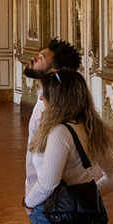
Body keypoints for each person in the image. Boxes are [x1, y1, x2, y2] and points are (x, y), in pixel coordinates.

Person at [24, 69, 113, 224]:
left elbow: (47, 183)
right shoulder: (90, 127)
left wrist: (28, 203)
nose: (41, 99)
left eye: (43, 93)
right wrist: (82, 200)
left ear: (57, 98)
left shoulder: (60, 131)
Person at [23, 38, 82, 192]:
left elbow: (40, 157)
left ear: (52, 71)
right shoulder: (43, 99)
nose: (33, 58)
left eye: (41, 58)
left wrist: (30, 196)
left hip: (48, 196)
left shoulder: (49, 107)